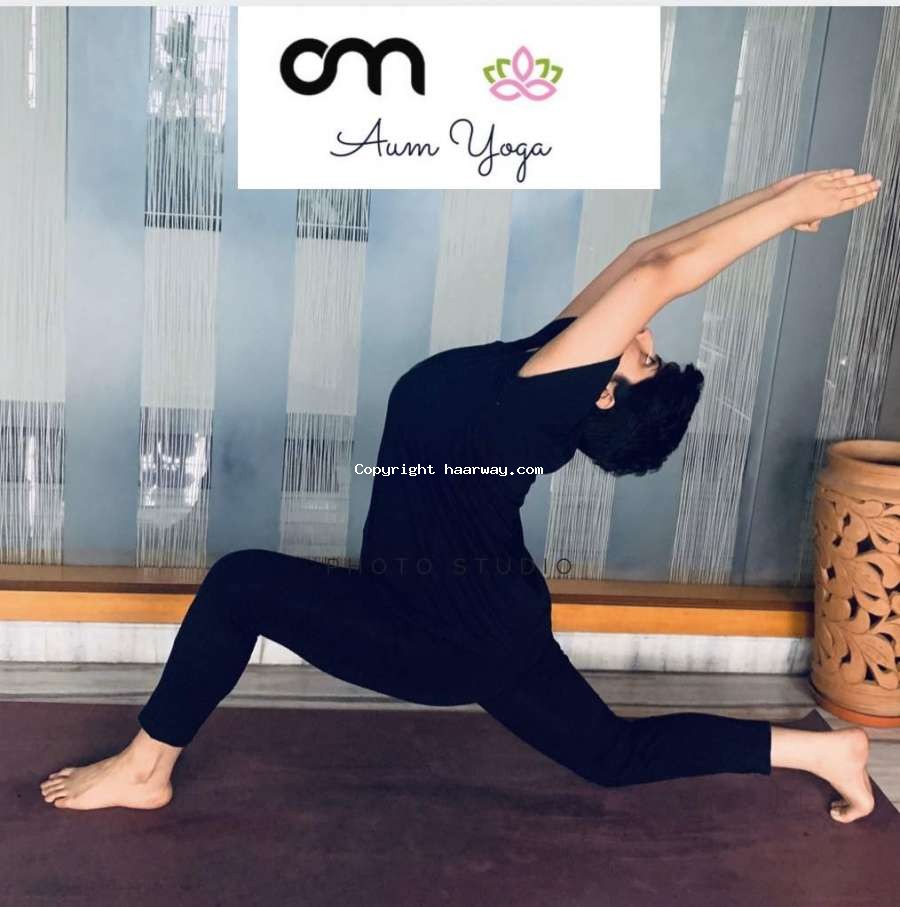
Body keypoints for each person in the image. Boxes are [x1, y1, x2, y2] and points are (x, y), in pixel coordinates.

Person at [40, 168, 881, 823]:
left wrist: (785, 210)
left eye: (646, 359)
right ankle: (828, 752)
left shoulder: (538, 405)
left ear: (603, 396)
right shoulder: (542, 363)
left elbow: (660, 275)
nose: (645, 334)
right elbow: (640, 257)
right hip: (439, 601)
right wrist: (775, 200)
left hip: (454, 635)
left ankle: (145, 769)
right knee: (241, 584)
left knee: (611, 754)